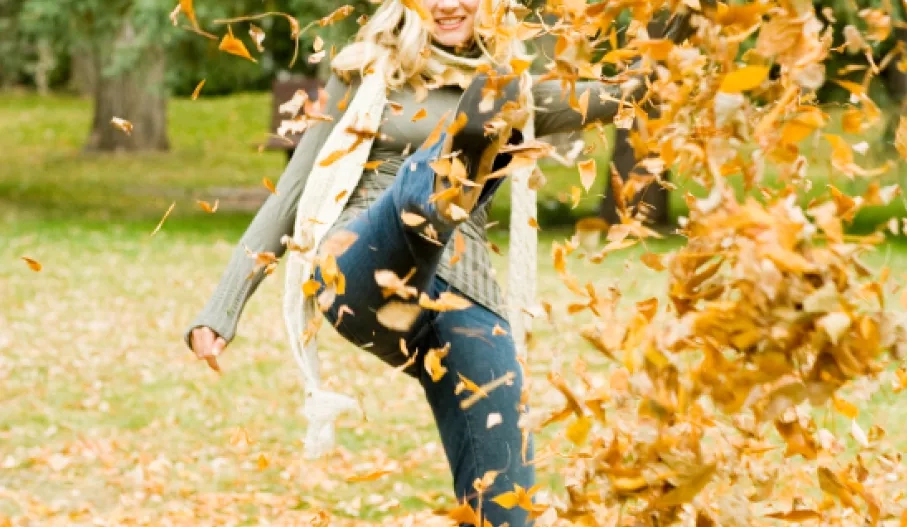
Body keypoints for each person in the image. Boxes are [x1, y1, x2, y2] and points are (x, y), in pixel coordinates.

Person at [184, 0, 694, 524]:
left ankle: (458, 164)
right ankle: (453, 164)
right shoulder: (364, 73)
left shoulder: (516, 90)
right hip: (360, 265)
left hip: (465, 294)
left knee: (507, 503)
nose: (448, 5)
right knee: (419, 187)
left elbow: (627, 92)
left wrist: (693, 28)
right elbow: (292, 192)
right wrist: (222, 308)